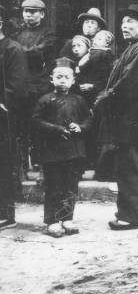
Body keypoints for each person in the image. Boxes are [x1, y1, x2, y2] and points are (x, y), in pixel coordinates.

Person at [94, 4, 138, 229]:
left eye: (130, 23)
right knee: (130, 167)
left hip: (134, 122)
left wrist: (105, 98)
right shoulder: (136, 48)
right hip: (131, 121)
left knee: (130, 168)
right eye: (123, 23)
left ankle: (130, 216)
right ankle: (135, 213)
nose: (124, 27)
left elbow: (129, 85)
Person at [32, 58, 91, 237]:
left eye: (66, 77)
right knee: (54, 186)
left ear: (73, 81)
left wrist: (80, 127)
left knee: (70, 185)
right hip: (52, 152)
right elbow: (35, 121)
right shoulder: (45, 100)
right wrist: (56, 129)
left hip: (73, 151)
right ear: (52, 79)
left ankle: (66, 218)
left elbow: (88, 119)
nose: (63, 80)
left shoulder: (79, 100)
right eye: (59, 77)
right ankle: (51, 221)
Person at [14, 0, 57, 173]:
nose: (29, 15)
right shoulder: (17, 34)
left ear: (42, 14)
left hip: (41, 86)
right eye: (26, 11)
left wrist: (16, 51)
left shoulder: (49, 34)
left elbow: (38, 53)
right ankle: (22, 165)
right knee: (20, 126)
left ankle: (41, 167)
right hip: (20, 86)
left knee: (40, 125)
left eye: (33, 11)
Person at [0, 5, 28, 230]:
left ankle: (5, 214)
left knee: (3, 163)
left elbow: (16, 88)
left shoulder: (12, 49)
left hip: (3, 118)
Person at [76, 30, 115, 107]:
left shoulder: (99, 53)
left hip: (94, 84)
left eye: (99, 39)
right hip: (93, 84)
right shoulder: (97, 52)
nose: (95, 41)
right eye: (95, 38)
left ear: (107, 43)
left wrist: (80, 68)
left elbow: (88, 64)